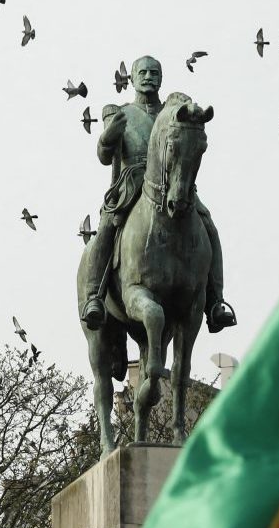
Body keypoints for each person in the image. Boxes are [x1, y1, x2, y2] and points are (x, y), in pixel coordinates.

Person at [79, 55, 233, 333]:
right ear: (133, 78)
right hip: (130, 184)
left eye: (154, 73)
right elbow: (104, 156)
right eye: (143, 72)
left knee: (207, 223)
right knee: (105, 227)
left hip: (171, 184)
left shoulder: (172, 112)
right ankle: (94, 297)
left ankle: (215, 301)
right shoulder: (119, 111)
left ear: (161, 78)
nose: (149, 77)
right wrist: (106, 138)